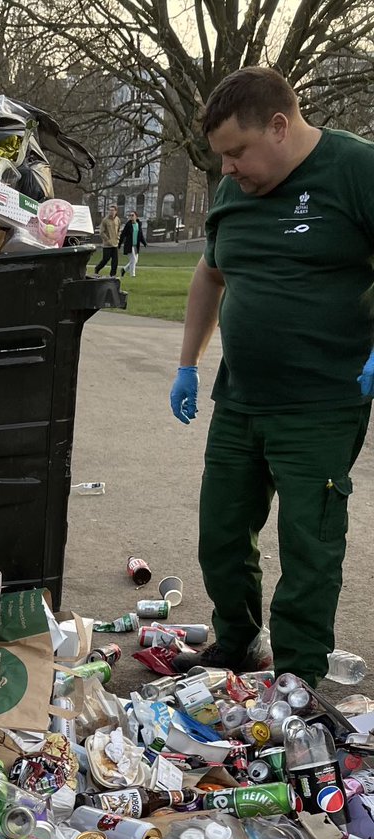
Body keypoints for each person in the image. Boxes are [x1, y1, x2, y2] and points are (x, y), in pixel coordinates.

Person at [169, 66, 374, 685]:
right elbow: (211, 272)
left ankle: (298, 675)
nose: (226, 169)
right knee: (222, 535)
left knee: (310, 545)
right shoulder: (238, 188)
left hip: (321, 401)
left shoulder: (355, 170)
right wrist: (187, 364)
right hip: (241, 397)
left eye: (236, 152)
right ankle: (236, 643)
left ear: (280, 127)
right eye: (220, 157)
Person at [93, 204, 121, 276]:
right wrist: (107, 239)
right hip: (107, 244)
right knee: (106, 259)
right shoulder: (105, 220)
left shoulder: (117, 219)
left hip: (115, 243)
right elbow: (101, 232)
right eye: (110, 210)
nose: (111, 212)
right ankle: (97, 268)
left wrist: (118, 237)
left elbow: (119, 229)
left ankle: (112, 275)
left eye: (113, 210)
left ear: (116, 211)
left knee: (115, 261)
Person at [119, 210, 147, 276]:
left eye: (132, 215)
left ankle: (124, 269)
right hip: (129, 245)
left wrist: (144, 243)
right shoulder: (128, 225)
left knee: (135, 261)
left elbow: (140, 235)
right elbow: (123, 235)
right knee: (133, 260)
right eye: (130, 215)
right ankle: (132, 275)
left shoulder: (138, 224)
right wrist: (119, 244)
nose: (131, 217)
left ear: (136, 217)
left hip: (135, 246)